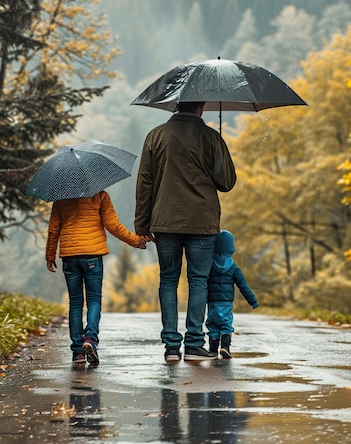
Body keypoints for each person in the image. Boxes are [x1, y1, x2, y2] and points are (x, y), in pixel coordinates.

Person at [134, 101, 236, 362]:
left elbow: (145, 182)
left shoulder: (156, 136)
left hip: (164, 219)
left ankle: (170, 346)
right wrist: (219, 151)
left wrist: (142, 225)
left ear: (175, 105)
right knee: (198, 280)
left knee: (168, 279)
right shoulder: (212, 137)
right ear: (201, 106)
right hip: (201, 222)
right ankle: (193, 344)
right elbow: (226, 183)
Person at [46, 190, 147, 366]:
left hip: (70, 257)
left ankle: (78, 351)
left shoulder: (60, 198)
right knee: (93, 300)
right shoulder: (100, 195)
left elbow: (53, 230)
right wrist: (136, 241)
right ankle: (90, 339)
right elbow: (113, 226)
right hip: (92, 256)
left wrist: (50, 256)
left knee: (75, 303)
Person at [206, 230, 259, 359]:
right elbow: (243, 286)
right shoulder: (234, 267)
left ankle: (213, 350)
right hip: (226, 302)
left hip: (212, 302)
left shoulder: (209, 264)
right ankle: (225, 347)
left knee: (212, 325)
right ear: (231, 247)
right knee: (226, 323)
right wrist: (253, 301)